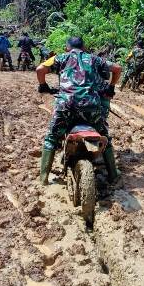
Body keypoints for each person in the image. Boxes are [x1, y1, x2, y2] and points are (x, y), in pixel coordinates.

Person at [36, 36, 121, 186]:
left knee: (51, 138)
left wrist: (43, 85)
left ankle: (43, 179)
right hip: (92, 107)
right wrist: (111, 87)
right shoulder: (94, 59)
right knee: (104, 136)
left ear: (67, 47)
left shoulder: (61, 57)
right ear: (84, 47)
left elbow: (40, 69)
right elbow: (117, 69)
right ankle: (113, 175)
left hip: (66, 107)